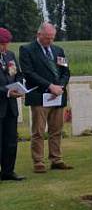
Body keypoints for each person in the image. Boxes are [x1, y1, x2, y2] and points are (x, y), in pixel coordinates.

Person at [20, 22, 72, 172]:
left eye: (52, 38)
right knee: (39, 131)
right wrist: (50, 86)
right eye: (47, 38)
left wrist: (60, 87)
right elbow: (29, 73)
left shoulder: (58, 50)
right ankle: (38, 162)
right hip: (40, 96)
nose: (49, 41)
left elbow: (66, 72)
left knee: (56, 129)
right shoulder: (27, 50)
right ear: (39, 35)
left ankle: (56, 159)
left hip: (58, 95)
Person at [0, 27, 26, 181]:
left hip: (11, 107)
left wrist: (19, 85)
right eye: (2, 44)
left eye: (6, 44)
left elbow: (18, 74)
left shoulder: (10, 56)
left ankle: (8, 171)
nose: (4, 47)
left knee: (11, 141)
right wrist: (7, 92)